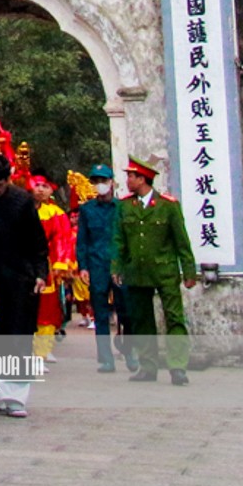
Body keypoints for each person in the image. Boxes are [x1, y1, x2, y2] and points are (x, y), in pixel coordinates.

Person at [0, 154, 46, 418]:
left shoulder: (22, 201)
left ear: (8, 179)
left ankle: (15, 396)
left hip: (17, 278)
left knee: (17, 337)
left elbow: (37, 242)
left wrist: (40, 273)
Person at [113, 154, 197, 386]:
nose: (128, 180)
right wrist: (116, 266)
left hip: (165, 270)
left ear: (143, 179)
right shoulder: (124, 206)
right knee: (141, 320)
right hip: (137, 271)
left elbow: (181, 240)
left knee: (174, 319)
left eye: (131, 176)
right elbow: (119, 239)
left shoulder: (167, 206)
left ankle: (178, 366)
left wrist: (188, 270)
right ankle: (148, 366)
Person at [75, 163, 134, 373]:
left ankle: (129, 352)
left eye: (103, 181)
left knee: (126, 312)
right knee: (100, 314)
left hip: (120, 266)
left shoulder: (123, 208)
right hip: (97, 265)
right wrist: (82, 266)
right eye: (96, 181)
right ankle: (105, 358)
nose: (100, 185)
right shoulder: (87, 209)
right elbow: (82, 240)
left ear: (112, 183)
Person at [29, 175, 76, 361]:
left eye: (44, 186)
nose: (40, 189)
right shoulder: (21, 208)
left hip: (47, 266)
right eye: (37, 185)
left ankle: (43, 348)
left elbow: (63, 240)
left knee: (48, 309)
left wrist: (61, 264)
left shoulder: (56, 214)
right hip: (24, 265)